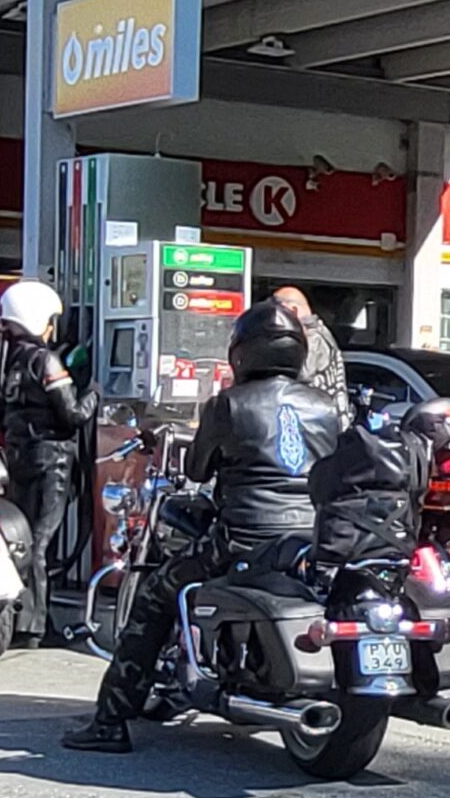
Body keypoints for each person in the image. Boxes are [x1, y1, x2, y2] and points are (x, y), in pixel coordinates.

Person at [64, 299, 343, 753]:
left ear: (242, 352)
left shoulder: (228, 405)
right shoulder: (326, 406)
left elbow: (197, 469)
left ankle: (109, 722)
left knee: (154, 596)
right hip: (309, 538)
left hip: (240, 539)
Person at [0, 280, 98, 649]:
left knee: (20, 539)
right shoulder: (45, 361)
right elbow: (73, 414)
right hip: (52, 460)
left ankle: (18, 616)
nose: (53, 328)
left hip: (17, 455)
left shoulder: (4, 362)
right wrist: (94, 392)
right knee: (40, 542)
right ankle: (34, 627)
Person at [272, 286, 349, 411]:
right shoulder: (321, 332)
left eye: (277, 312)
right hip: (324, 413)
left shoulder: (313, 337)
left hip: (317, 415)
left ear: (293, 310)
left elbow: (302, 375)